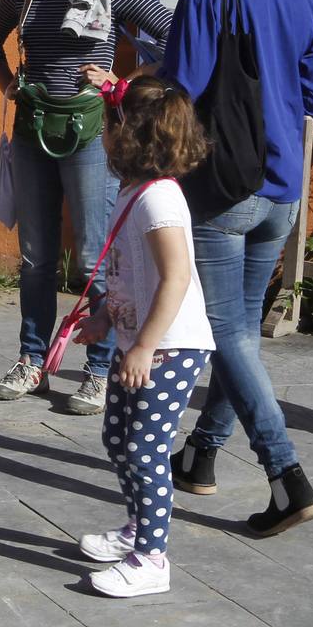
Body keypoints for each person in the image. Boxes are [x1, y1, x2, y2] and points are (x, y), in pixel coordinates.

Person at [163, 0, 313, 536]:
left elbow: (181, 89)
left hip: (221, 191)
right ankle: (201, 458)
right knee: (240, 337)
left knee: (227, 332)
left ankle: (287, 475)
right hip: (283, 187)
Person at [0, 0, 173, 414]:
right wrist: (9, 86)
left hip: (91, 135)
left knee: (93, 258)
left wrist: (125, 83)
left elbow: (176, 32)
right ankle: (32, 360)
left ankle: (99, 368)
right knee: (35, 257)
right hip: (33, 128)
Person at [73, 76, 214, 598]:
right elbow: (130, 272)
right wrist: (107, 319)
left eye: (108, 123)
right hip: (140, 342)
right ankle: (136, 530)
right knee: (118, 441)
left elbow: (175, 277)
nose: (103, 134)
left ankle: (152, 558)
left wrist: (146, 345)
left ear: (128, 132)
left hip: (169, 346)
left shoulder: (160, 202)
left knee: (145, 450)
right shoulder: (135, 193)